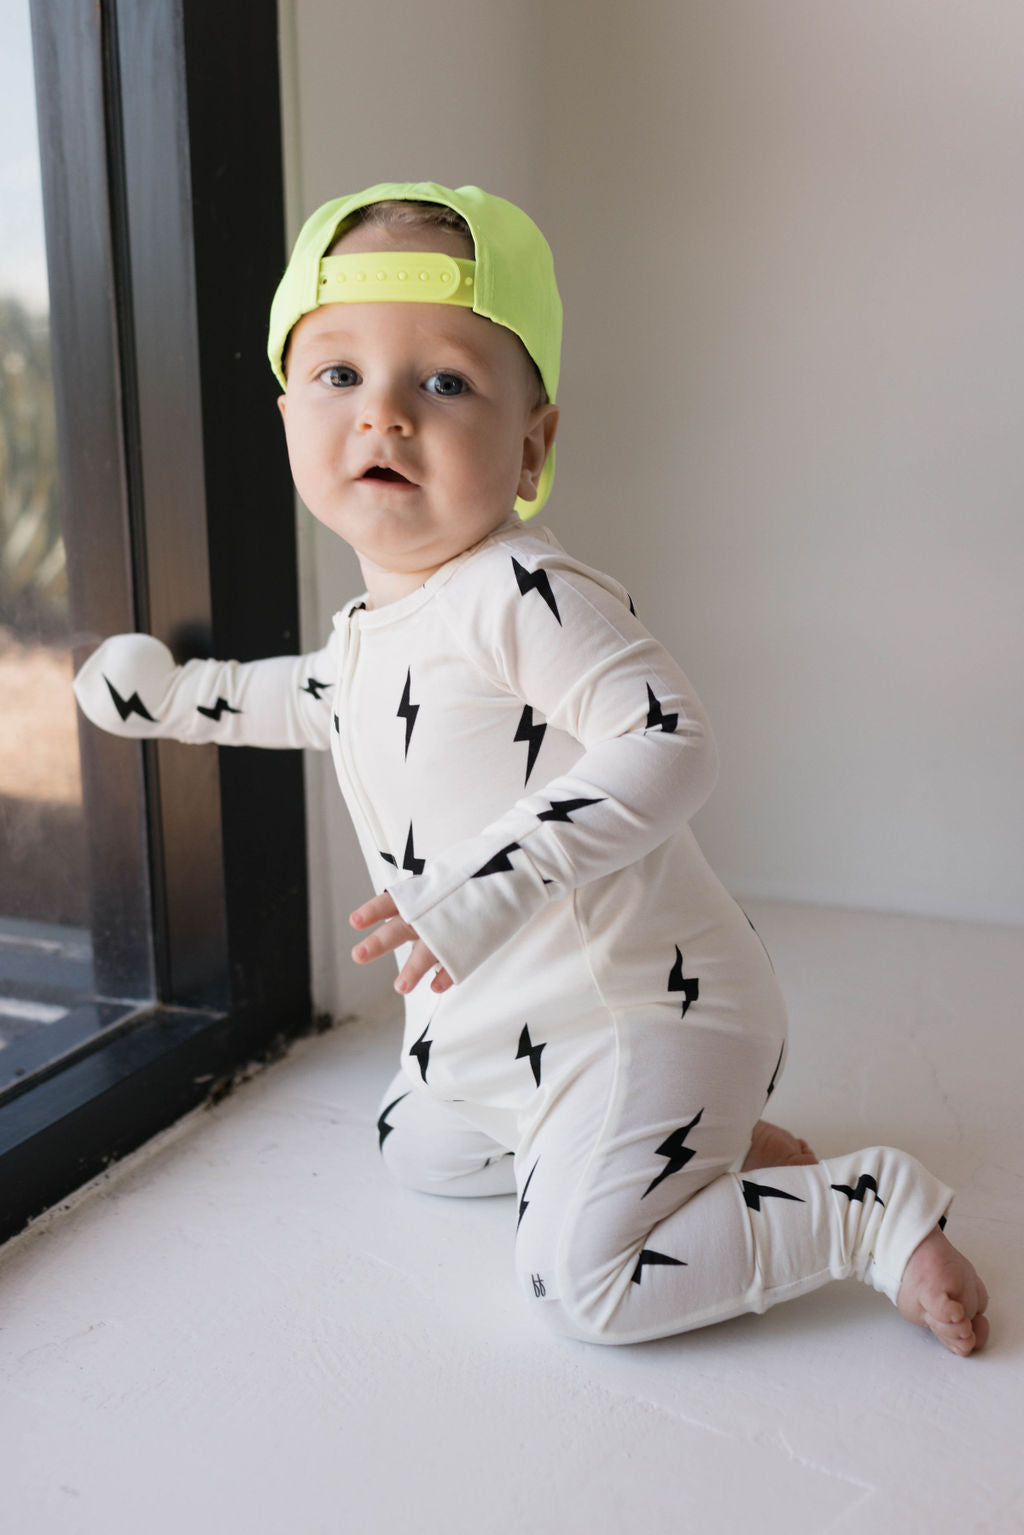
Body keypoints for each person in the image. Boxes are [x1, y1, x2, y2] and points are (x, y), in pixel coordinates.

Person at [73, 181, 988, 1353]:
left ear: (531, 446)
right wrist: (172, 701)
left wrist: (483, 879)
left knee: (583, 1285)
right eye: (338, 375)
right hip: (506, 1031)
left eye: (443, 382)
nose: (384, 414)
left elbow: (669, 738)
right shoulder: (373, 628)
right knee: (414, 1142)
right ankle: (681, 1151)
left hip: (641, 1010)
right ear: (290, 413)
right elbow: (312, 697)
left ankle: (856, 1212)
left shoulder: (523, 590)